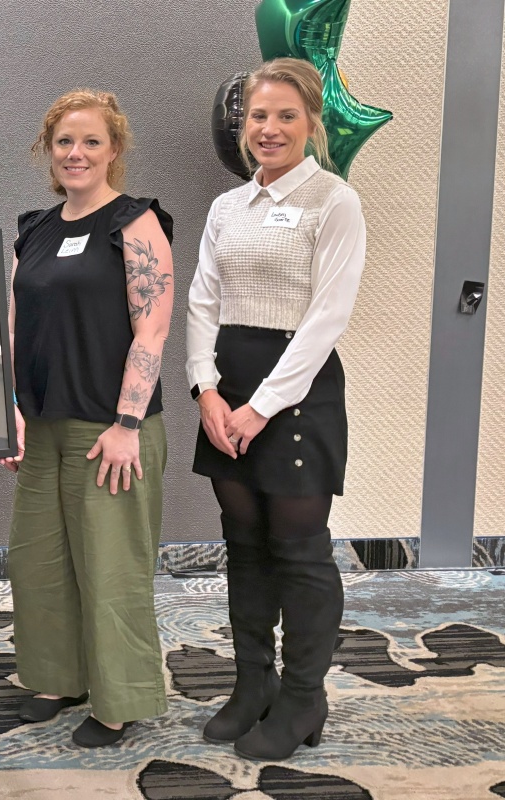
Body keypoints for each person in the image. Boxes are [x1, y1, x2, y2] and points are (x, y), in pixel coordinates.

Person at [185, 57, 366, 761]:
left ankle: (302, 698)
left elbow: (327, 318)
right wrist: (205, 390)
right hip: (226, 392)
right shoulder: (227, 207)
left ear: (310, 122)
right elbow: (203, 300)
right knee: (245, 546)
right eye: (258, 116)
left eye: (286, 115)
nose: (269, 129)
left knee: (300, 552)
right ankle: (251, 684)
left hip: (294, 395)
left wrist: (258, 408)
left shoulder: (334, 201)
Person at [2, 89, 174, 748]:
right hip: (43, 426)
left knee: (110, 569)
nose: (76, 153)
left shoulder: (135, 223)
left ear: (114, 150)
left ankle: (117, 700)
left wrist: (128, 423)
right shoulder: (34, 230)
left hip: (111, 430)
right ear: (49, 150)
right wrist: (14, 414)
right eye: (65, 141)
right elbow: (20, 327)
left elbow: (152, 331)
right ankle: (56, 677)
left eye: (91, 141)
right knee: (37, 561)